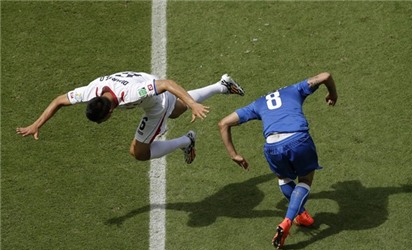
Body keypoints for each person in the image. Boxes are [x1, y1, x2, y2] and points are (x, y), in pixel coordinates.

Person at [218, 72, 338, 249]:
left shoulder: (258, 104)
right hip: (298, 139)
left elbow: (223, 123)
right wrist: (332, 94)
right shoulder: (294, 89)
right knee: (305, 180)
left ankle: (301, 214)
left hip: (273, 147)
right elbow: (326, 75)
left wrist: (233, 154)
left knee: (283, 179)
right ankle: (288, 220)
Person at [16, 71, 245, 163]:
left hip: (153, 102)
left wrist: (193, 104)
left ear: (110, 112)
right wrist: (36, 124)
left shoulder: (129, 95)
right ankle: (221, 85)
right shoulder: (90, 91)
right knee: (176, 110)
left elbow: (166, 84)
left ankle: (186, 141)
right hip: (145, 79)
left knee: (138, 152)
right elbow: (59, 100)